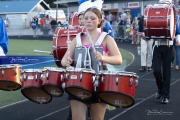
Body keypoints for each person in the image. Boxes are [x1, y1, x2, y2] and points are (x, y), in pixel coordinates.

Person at [61, 7, 122, 120]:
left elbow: (119, 59)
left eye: (92, 18)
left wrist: (103, 57)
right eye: (86, 18)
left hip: (99, 84)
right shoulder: (77, 39)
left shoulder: (106, 38)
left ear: (99, 20)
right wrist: (67, 62)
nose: (88, 21)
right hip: (78, 84)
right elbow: (63, 60)